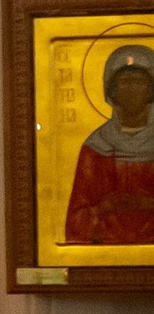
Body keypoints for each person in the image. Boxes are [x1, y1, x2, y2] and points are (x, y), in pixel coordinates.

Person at [64, 45, 154, 243]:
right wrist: (105, 207)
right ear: (111, 90)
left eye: (139, 81)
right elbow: (76, 223)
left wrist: (144, 204)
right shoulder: (96, 147)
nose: (132, 88)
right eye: (125, 81)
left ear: (151, 90)